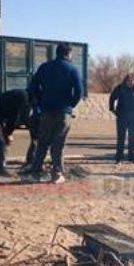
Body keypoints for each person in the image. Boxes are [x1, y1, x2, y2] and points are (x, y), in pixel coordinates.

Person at [23, 43, 84, 184]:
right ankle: (56, 174)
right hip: (63, 112)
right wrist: (70, 105)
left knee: (42, 142)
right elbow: (79, 92)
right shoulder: (73, 69)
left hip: (46, 111)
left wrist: (40, 101)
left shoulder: (44, 67)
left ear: (56, 53)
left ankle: (36, 172)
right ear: (68, 54)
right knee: (59, 143)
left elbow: (33, 87)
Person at [0, 89, 31, 176]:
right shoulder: (23, 97)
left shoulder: (22, 94)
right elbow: (15, 117)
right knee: (1, 141)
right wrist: (9, 134)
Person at [109, 74, 134, 164]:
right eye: (128, 81)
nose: (130, 82)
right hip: (122, 116)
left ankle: (132, 158)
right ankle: (119, 158)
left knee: (132, 139)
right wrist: (112, 108)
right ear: (125, 81)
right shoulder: (120, 88)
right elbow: (112, 97)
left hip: (133, 118)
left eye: (132, 81)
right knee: (121, 138)